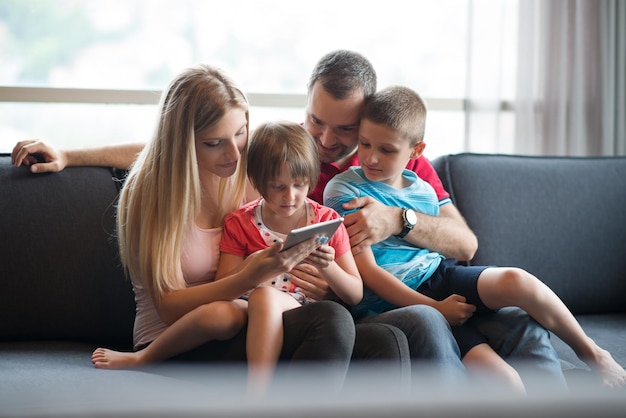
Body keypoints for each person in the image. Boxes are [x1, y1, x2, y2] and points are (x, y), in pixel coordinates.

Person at [11, 50, 566, 392]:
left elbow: (463, 244)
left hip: (286, 307)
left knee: (455, 321)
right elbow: (155, 154)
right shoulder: (199, 188)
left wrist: (390, 227)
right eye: (315, 123)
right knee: (346, 321)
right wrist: (71, 154)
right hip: (206, 328)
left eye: (241, 136)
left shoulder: (283, 174)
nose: (325, 143)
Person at [324, 85, 626, 391]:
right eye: (364, 144)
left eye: (386, 150)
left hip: (438, 276)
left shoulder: (423, 190)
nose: (371, 158)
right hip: (393, 297)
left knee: (517, 282)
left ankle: (595, 354)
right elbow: (368, 273)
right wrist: (435, 307)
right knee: (506, 381)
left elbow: (464, 245)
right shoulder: (343, 191)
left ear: (416, 151)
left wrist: (399, 219)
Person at [87, 64, 358, 393]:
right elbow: (169, 308)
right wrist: (246, 277)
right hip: (177, 340)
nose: (234, 152)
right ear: (183, 143)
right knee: (330, 324)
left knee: (383, 338)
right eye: (214, 142)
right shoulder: (152, 197)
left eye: (240, 133)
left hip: (250, 318)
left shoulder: (247, 174)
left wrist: (320, 281)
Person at [215, 120, 363, 392]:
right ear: (258, 183)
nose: (290, 196)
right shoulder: (241, 223)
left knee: (267, 297)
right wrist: (252, 268)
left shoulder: (326, 221)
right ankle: (257, 395)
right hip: (251, 315)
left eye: (299, 185)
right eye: (277, 186)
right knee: (262, 296)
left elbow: (355, 294)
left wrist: (328, 267)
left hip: (302, 314)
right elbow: (223, 284)